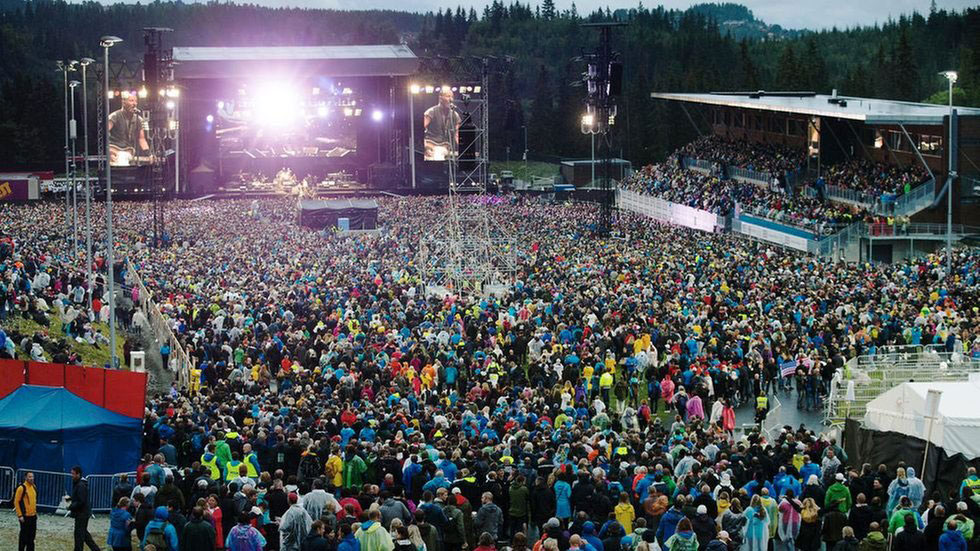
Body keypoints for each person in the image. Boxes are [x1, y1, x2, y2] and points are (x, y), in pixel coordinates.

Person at [107, 94, 151, 166]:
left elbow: (141, 139)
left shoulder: (138, 119)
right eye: (131, 101)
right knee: (122, 158)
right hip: (114, 149)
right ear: (123, 102)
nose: (134, 104)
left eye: (136, 101)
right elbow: (105, 133)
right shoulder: (114, 116)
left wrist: (149, 154)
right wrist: (109, 151)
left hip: (128, 150)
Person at [423, 88, 461, 161]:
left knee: (438, 152)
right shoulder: (431, 112)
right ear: (440, 97)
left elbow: (457, 134)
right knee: (435, 155)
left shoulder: (455, 115)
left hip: (443, 146)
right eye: (448, 96)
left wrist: (464, 149)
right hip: (430, 143)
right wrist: (424, 146)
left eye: (452, 97)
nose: (451, 99)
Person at [70, 465, 102, 551]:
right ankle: (96, 549)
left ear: (78, 474)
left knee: (79, 535)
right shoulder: (79, 484)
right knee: (84, 534)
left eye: (73, 474)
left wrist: (71, 506)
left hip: (81, 513)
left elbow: (81, 501)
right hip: (82, 513)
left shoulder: (80, 485)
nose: (71, 475)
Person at [15, 471, 38, 551]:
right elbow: (16, 501)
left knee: (31, 538)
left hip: (33, 516)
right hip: (25, 517)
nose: (31, 478)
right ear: (25, 478)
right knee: (23, 538)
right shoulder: (22, 488)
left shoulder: (34, 487)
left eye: (32, 476)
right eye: (29, 477)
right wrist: (20, 515)